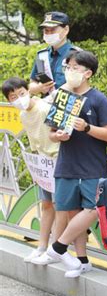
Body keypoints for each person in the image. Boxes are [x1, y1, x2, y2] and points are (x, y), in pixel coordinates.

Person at [32, 50, 107, 278]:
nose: (70, 71)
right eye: (67, 67)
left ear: (88, 73)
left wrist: (87, 128)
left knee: (93, 209)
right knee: (70, 211)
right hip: (67, 164)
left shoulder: (98, 99)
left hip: (92, 165)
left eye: (75, 68)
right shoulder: (62, 97)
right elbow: (51, 133)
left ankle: (58, 247)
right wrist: (58, 137)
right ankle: (82, 260)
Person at [2, 76, 59, 262]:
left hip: (58, 160)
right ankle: (42, 245)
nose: (19, 99)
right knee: (47, 204)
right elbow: (34, 142)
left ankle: (55, 248)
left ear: (28, 90)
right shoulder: (23, 115)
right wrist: (37, 168)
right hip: (43, 162)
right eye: (13, 97)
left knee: (60, 206)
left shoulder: (44, 109)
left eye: (21, 93)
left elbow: (57, 135)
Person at [29, 11, 77, 96]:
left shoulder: (77, 54)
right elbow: (32, 84)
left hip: (70, 106)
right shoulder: (42, 56)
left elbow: (83, 86)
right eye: (46, 30)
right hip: (46, 106)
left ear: (66, 30)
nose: (49, 33)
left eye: (53, 29)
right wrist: (39, 88)